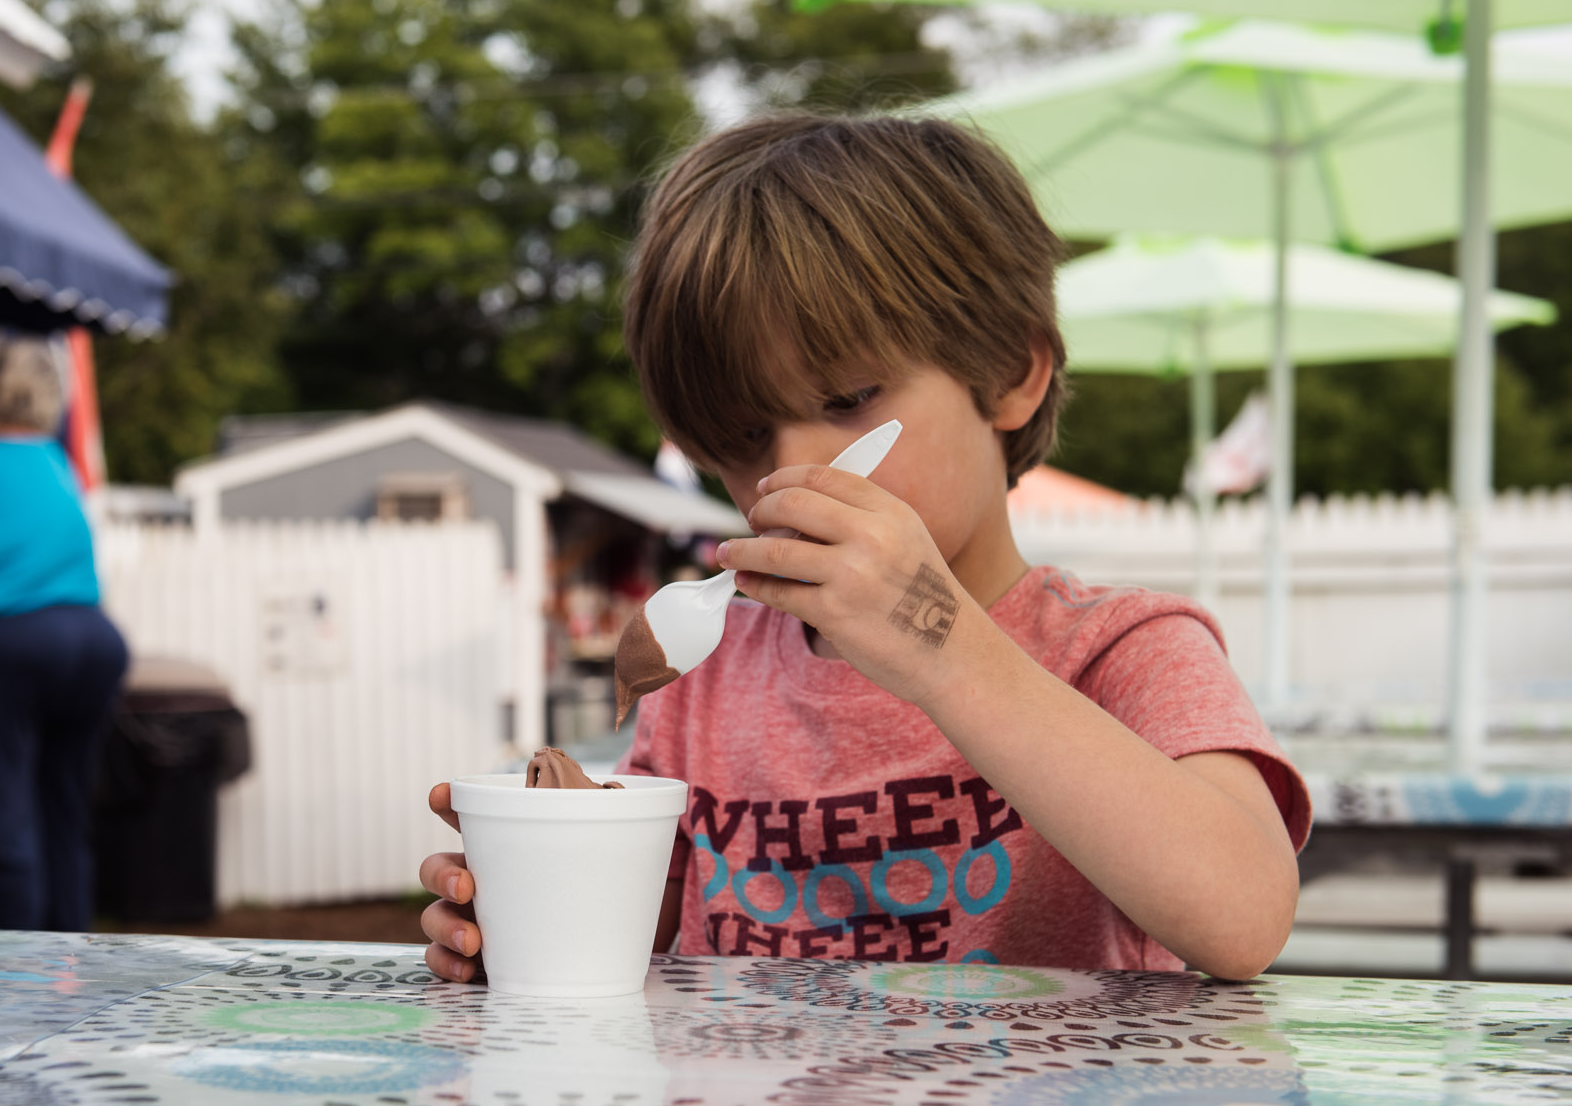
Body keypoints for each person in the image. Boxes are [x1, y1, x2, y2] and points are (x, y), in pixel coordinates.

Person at [418, 113, 1311, 982]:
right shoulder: (704, 677)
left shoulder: (1120, 652)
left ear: (1009, 375)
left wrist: (940, 645)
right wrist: (529, 917)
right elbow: (649, 935)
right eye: (741, 437)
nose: (790, 471)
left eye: (846, 399)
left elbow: (1244, 917)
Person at [0, 337, 128, 931]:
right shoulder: (60, 467)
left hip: (2, 648)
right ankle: (69, 963)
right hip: (92, 642)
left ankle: (19, 979)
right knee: (62, 813)